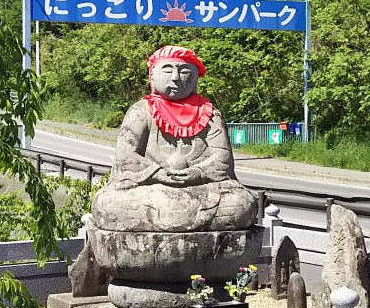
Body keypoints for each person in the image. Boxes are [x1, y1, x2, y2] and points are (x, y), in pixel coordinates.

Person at [91, 45, 257, 233]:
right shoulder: (141, 111)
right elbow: (126, 158)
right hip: (152, 188)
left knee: (242, 203)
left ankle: (169, 218)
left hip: (200, 189)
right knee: (108, 204)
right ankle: (187, 219)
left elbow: (222, 159)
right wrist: (157, 173)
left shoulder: (211, 114)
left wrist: (198, 173)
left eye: (184, 71)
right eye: (167, 70)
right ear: (152, 76)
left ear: (195, 77)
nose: (176, 77)